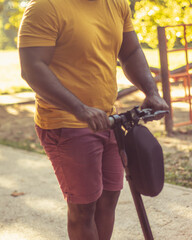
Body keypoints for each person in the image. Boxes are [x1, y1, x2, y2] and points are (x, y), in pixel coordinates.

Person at [18, 0, 168, 239]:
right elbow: (32, 68)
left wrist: (151, 92)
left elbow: (130, 52)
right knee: (83, 208)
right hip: (66, 123)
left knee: (109, 198)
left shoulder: (116, 4)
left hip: (109, 120)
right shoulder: (45, 7)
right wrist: (78, 108)